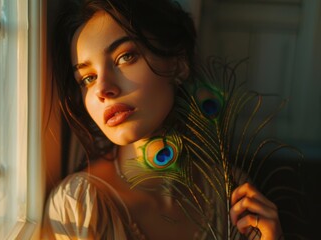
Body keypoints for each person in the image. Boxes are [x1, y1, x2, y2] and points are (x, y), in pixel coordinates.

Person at [43, 0, 284, 239]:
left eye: (125, 57)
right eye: (87, 78)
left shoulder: (232, 191)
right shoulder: (79, 205)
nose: (103, 89)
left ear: (178, 64)